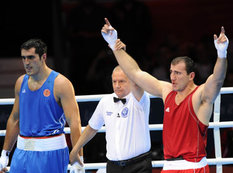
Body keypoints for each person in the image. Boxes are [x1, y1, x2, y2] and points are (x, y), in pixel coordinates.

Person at [101, 18, 229, 172]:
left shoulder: (200, 95)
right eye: (171, 72)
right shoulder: (166, 91)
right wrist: (114, 44)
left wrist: (221, 54)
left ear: (191, 76)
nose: (173, 77)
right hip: (168, 166)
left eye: (178, 73)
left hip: (192, 166)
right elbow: (135, 73)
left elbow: (217, 79)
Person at [0, 39, 84, 173]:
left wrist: (79, 158)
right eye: (24, 58)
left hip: (51, 152)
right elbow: (14, 118)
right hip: (22, 151)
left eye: (31, 57)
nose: (26, 62)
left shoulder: (61, 84)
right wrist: (5, 153)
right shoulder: (20, 82)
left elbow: (74, 122)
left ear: (43, 57)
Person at [69, 65, 152, 173]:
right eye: (114, 81)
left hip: (139, 166)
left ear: (131, 80)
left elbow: (137, 78)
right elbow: (92, 128)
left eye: (122, 81)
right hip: (113, 167)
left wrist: (121, 55)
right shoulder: (105, 101)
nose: (117, 85)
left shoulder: (140, 99)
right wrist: (75, 150)